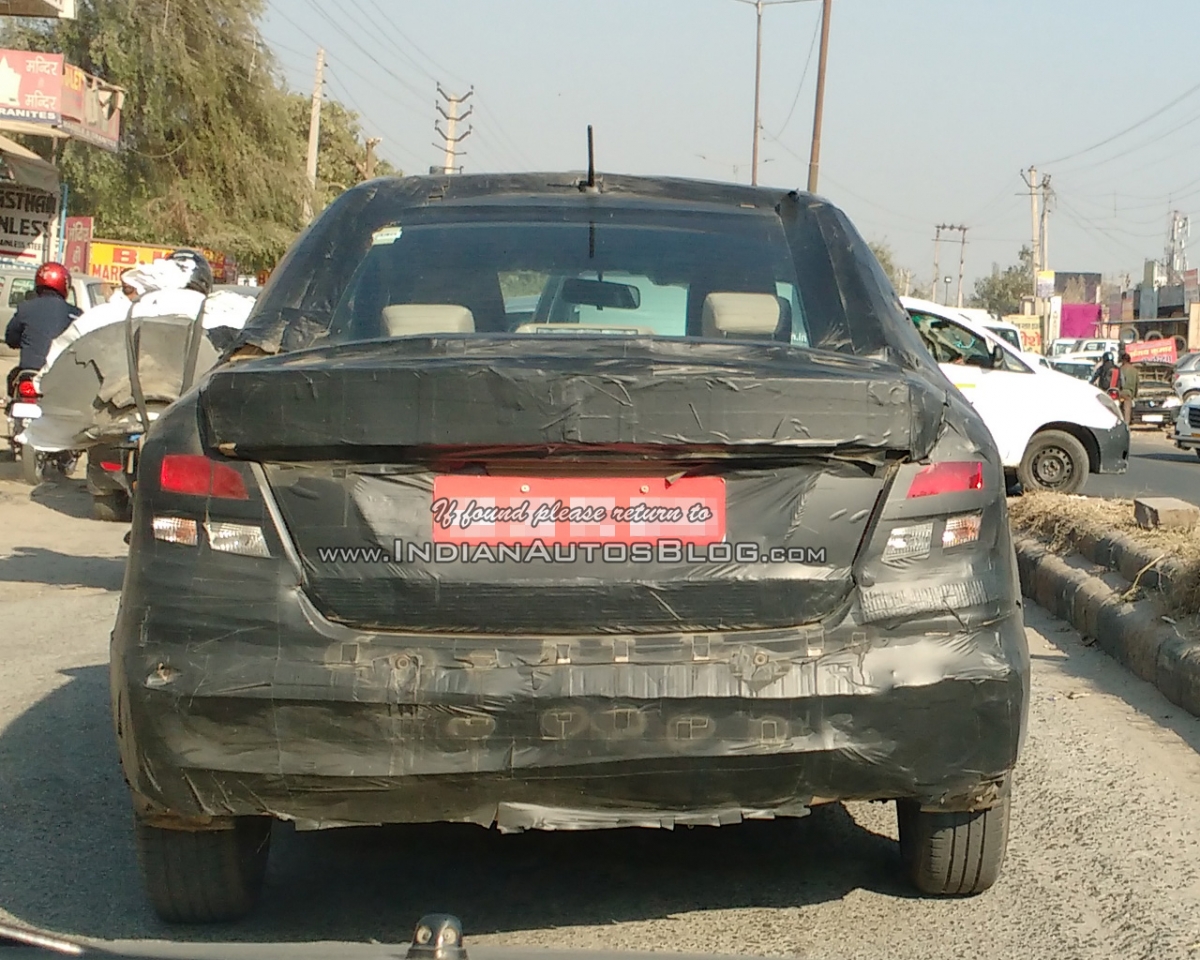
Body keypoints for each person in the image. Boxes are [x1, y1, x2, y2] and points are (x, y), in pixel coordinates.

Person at [4, 262, 81, 396]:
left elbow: (11, 338)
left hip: (29, 375)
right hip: (61, 378)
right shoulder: (76, 314)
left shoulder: (25, 308)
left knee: (13, 379)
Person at [1118, 351, 1140, 424]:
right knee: (1127, 410)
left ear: (1123, 360)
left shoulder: (1120, 369)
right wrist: (1135, 395)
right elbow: (1137, 383)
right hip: (1129, 393)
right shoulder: (1134, 370)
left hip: (1120, 392)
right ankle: (1126, 424)